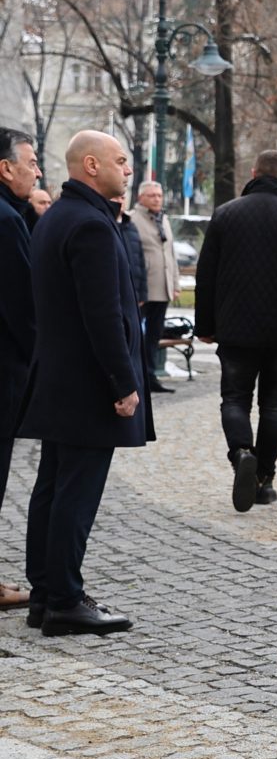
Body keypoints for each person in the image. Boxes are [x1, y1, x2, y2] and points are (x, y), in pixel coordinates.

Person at [20, 130, 155, 636]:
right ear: (92, 165)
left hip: (58, 379)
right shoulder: (92, 226)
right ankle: (65, 600)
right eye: (121, 161)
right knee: (74, 494)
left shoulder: (57, 216)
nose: (128, 168)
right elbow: (103, 315)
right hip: (88, 385)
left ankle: (45, 594)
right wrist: (123, 382)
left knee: (52, 489)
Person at [195, 149, 277, 512]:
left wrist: (206, 325)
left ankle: (241, 453)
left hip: (235, 329)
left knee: (234, 398)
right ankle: (264, 479)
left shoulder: (225, 215)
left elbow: (206, 275)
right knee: (273, 404)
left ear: (253, 173)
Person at [0, 127, 39, 611]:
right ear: (5, 168)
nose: (36, 170)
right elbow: (23, 310)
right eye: (29, 162)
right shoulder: (7, 222)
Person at [130, 181, 180, 394]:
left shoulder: (164, 220)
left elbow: (171, 254)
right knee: (135, 335)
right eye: (152, 195)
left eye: (159, 195)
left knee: (154, 335)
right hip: (143, 287)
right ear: (141, 198)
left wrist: (175, 283)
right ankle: (137, 376)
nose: (157, 199)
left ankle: (151, 375)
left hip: (162, 286)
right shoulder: (132, 219)